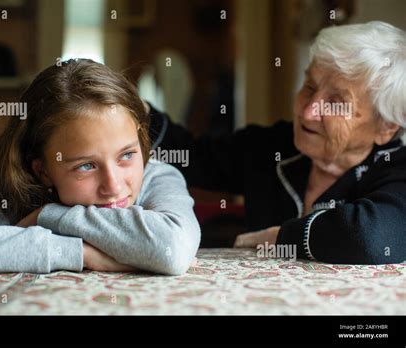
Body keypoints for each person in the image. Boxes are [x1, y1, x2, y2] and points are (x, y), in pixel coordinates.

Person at [147, 21, 406, 264]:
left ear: (386, 126)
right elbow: (194, 157)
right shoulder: (272, 147)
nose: (307, 112)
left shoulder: (397, 170)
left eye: (336, 103)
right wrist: (138, 113)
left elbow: (371, 238)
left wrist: (279, 238)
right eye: (309, 87)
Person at [0, 59, 200, 276]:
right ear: (43, 171)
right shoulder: (21, 193)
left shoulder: (157, 176)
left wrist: (49, 216)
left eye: (127, 155)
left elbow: (172, 249)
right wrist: (78, 253)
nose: (114, 185)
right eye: (86, 166)